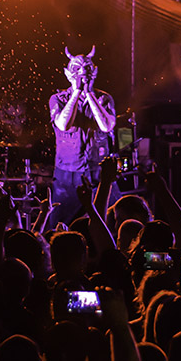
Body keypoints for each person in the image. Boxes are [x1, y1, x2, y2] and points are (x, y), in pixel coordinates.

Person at [48, 46, 116, 226]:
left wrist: (89, 94)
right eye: (76, 68)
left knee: (107, 220)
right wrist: (77, 93)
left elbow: (107, 125)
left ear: (95, 71)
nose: (82, 72)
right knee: (61, 224)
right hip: (67, 176)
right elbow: (63, 124)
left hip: (97, 172)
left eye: (86, 68)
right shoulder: (58, 99)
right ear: (67, 73)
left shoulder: (104, 99)